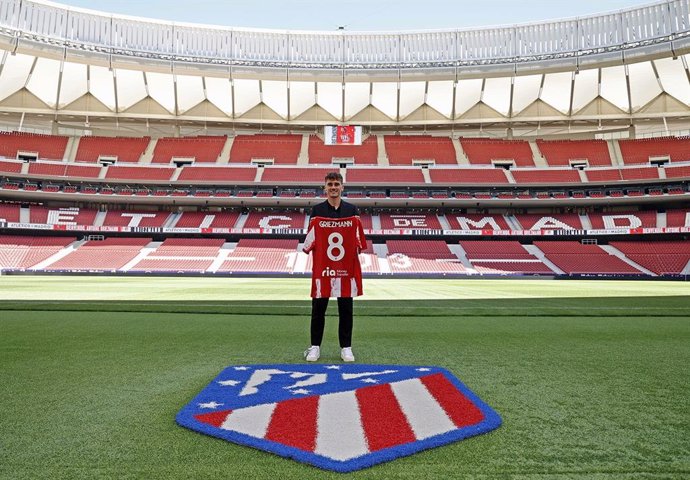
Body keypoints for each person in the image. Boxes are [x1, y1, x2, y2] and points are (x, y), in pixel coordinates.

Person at [303, 171, 364, 363]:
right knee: (318, 309)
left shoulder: (352, 211)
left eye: (336, 184)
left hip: (346, 269)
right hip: (323, 269)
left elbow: (358, 244)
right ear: (325, 188)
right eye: (330, 184)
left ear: (342, 187)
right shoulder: (317, 211)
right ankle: (315, 347)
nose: (333, 187)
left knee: (346, 309)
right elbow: (309, 241)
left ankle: (346, 347)